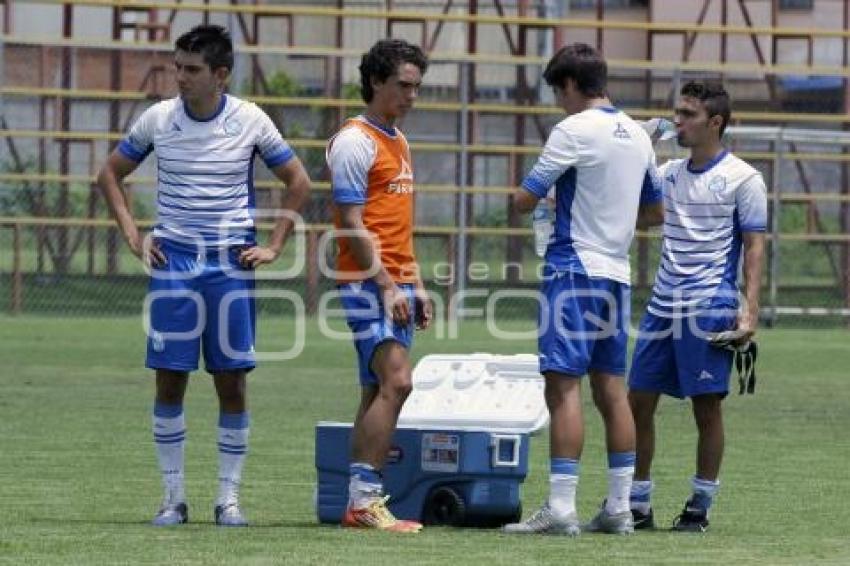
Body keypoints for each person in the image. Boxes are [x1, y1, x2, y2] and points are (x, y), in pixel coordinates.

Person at [96, 24, 310, 527]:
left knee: (231, 382)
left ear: (221, 75)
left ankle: (228, 501)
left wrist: (274, 244)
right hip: (175, 263)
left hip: (229, 265)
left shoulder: (251, 120)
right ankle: (172, 499)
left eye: (192, 70)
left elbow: (298, 182)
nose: (180, 78)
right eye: (178, 67)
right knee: (169, 380)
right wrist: (132, 233)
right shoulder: (158, 119)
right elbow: (109, 173)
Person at [503, 43, 663, 536]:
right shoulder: (638, 135)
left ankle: (561, 507)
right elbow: (655, 213)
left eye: (559, 92)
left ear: (570, 84)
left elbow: (524, 200)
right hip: (616, 272)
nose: (559, 102)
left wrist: (543, 199)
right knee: (612, 390)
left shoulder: (572, 130)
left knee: (562, 386)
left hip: (573, 268)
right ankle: (618, 507)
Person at [628, 81, 767, 532]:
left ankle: (699, 506)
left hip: (708, 304)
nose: (677, 122)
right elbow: (641, 214)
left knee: (706, 408)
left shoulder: (744, 178)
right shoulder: (668, 173)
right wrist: (638, 149)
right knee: (638, 401)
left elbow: (753, 247)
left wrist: (749, 311)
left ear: (715, 123)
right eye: (677, 113)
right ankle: (636, 503)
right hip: (662, 304)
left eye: (687, 114)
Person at [326, 38, 433, 533]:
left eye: (416, 87)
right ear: (375, 82)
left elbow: (395, 224)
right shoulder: (355, 141)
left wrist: (415, 282)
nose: (412, 96)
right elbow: (351, 221)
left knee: (374, 391)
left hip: (395, 280)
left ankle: (357, 502)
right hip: (367, 282)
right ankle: (365, 501)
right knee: (398, 381)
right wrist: (389, 285)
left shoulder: (399, 138)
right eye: (402, 85)